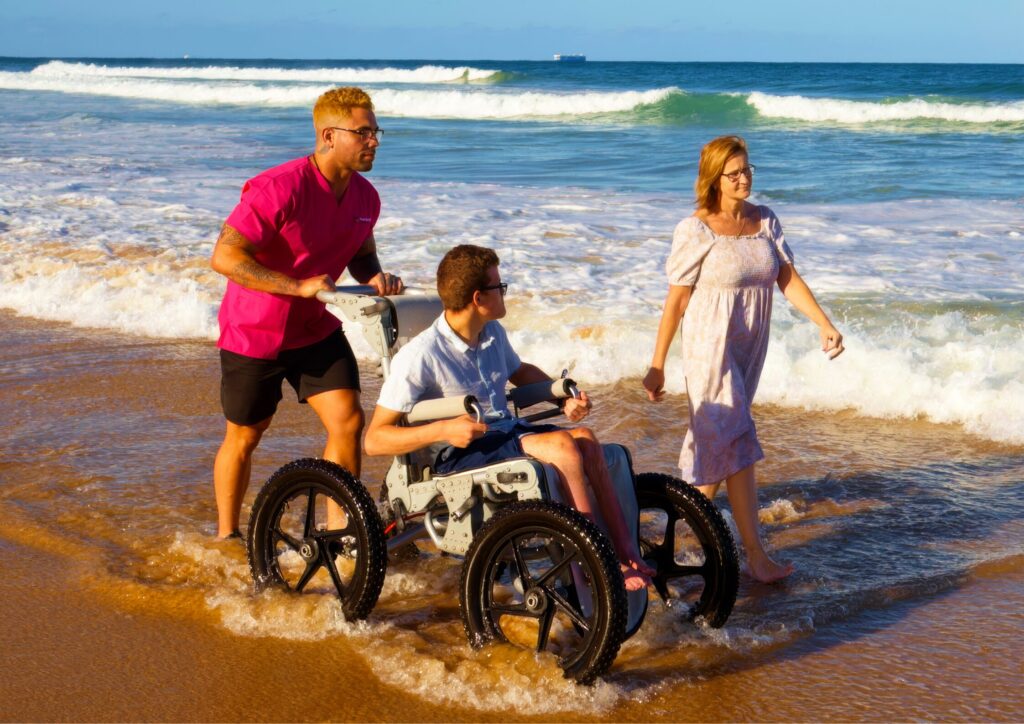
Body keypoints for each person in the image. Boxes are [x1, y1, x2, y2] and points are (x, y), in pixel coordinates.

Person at [364, 244, 655, 591]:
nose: (504, 294)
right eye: (499, 287)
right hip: (461, 453)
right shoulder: (421, 355)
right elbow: (375, 439)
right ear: (478, 298)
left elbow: (520, 372)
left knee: (587, 439)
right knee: (563, 445)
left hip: (504, 434)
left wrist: (562, 395)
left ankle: (625, 553)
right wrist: (443, 429)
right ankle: (590, 558)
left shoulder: (491, 334)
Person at [642, 135, 844, 583]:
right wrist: (657, 363)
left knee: (718, 444)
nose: (744, 178)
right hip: (708, 344)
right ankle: (755, 555)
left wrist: (822, 323)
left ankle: (676, 530)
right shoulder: (695, 229)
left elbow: (787, 279)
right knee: (738, 438)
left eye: (748, 169)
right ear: (714, 179)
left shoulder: (764, 220)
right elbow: (675, 302)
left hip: (749, 344)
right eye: (734, 172)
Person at [209, 86, 403, 540]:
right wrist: (297, 286)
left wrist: (375, 277)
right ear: (328, 135)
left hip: (315, 330)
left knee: (349, 421)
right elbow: (224, 256)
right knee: (245, 435)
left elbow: (362, 255)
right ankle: (226, 535)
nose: (374, 141)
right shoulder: (278, 188)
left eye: (376, 131)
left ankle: (341, 531)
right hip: (254, 333)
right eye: (364, 132)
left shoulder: (366, 198)